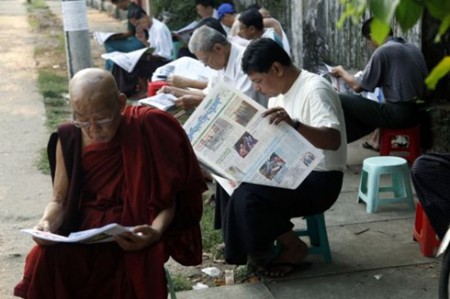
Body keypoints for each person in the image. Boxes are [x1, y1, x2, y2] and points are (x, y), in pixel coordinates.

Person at [14, 68, 206, 299]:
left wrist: (155, 232)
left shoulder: (147, 127)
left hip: (135, 230)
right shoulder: (70, 137)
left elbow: (167, 198)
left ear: (121, 103)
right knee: (42, 259)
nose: (93, 130)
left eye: (102, 120)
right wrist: (46, 224)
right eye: (83, 121)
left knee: (136, 266)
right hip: (85, 229)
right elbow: (59, 200)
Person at [214, 38, 346, 277]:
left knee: (249, 195)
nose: (257, 88)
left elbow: (333, 139)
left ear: (276, 68)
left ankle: (292, 246)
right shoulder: (278, 96)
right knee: (227, 180)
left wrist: (295, 125)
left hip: (320, 180)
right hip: (290, 171)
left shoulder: (314, 89)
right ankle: (244, 239)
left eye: (258, 81)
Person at [331, 17, 428, 146]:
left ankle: (335, 142)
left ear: (372, 36)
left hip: (401, 115)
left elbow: (357, 86)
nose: (370, 45)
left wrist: (341, 71)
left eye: (368, 41)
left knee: (339, 98)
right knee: (368, 114)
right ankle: (340, 142)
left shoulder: (384, 51)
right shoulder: (413, 48)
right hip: (422, 113)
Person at [161, 25, 268, 109]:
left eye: (206, 60)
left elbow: (243, 106)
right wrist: (172, 91)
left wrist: (199, 101)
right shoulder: (220, 63)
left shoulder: (245, 61)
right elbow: (207, 94)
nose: (205, 65)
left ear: (218, 48)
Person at [112, 14, 173, 98]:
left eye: (139, 23)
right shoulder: (151, 28)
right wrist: (143, 40)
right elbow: (153, 48)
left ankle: (143, 90)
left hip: (164, 63)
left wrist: (146, 57)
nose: (139, 27)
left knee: (136, 63)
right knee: (120, 63)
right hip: (156, 59)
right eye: (136, 25)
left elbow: (165, 54)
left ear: (144, 17)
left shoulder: (159, 29)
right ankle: (120, 90)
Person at [411, 153, 450, 239]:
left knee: (434, 205)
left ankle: (444, 237)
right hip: (430, 166)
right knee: (438, 206)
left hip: (425, 162)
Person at [104, 0, 147, 71]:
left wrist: (113, 37)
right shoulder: (134, 8)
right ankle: (109, 70)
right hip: (137, 39)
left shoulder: (133, 12)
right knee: (109, 50)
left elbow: (129, 33)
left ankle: (114, 70)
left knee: (109, 44)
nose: (118, 7)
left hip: (139, 42)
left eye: (117, 5)